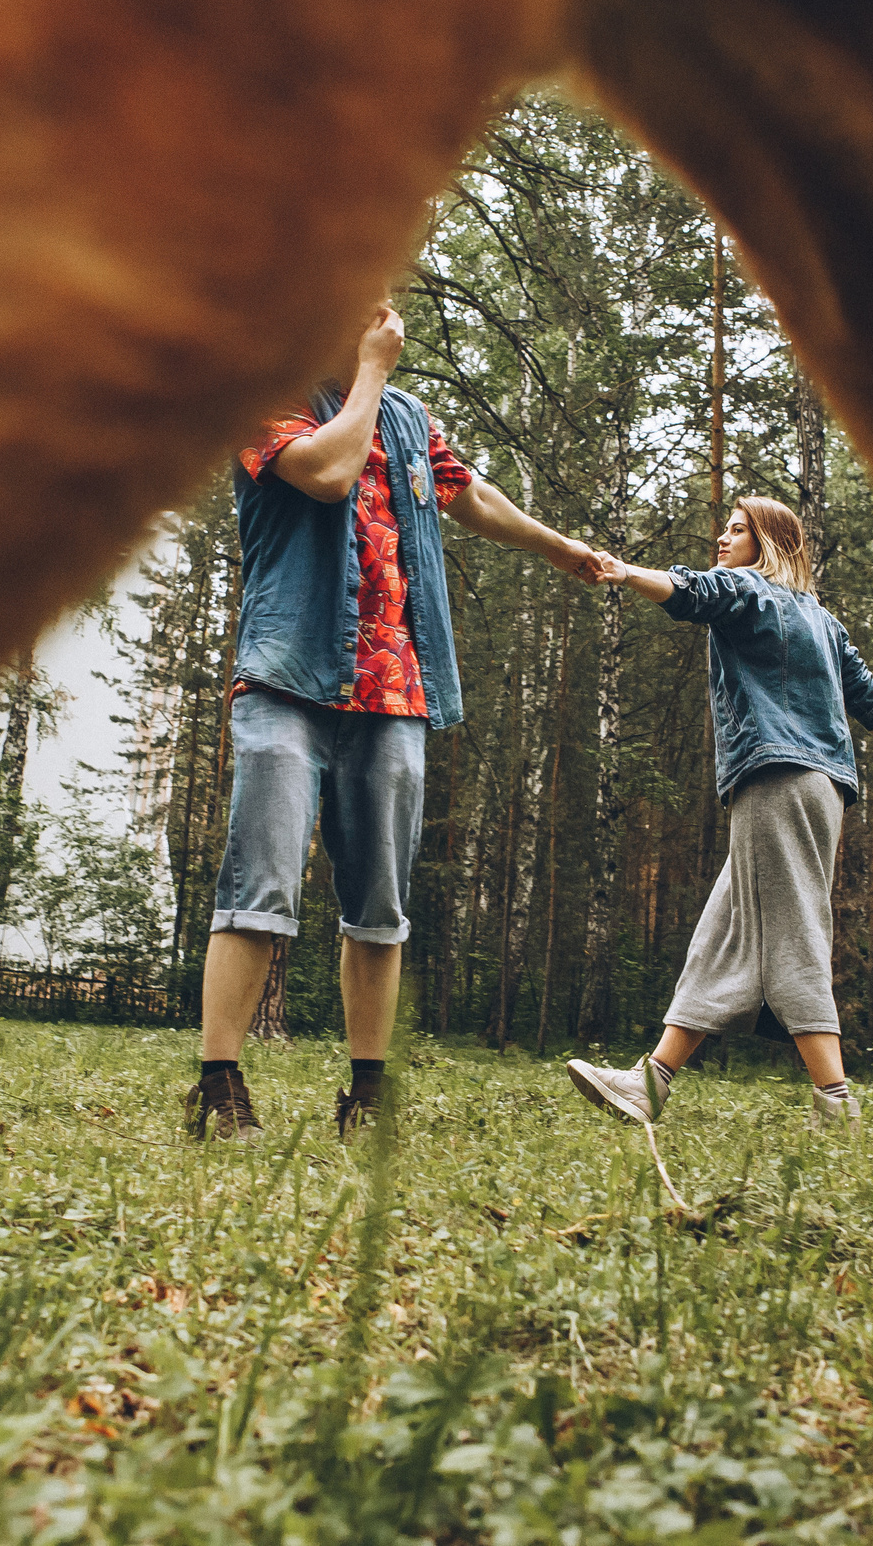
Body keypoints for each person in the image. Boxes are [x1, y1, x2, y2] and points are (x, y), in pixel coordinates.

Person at [187, 302, 599, 1142]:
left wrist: (562, 549)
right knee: (259, 886)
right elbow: (328, 472)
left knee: (379, 901)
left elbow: (469, 494)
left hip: (394, 693)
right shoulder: (265, 396)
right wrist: (370, 371)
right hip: (289, 679)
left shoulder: (411, 418)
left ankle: (367, 1095)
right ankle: (218, 1084)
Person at [566, 498, 873, 1130]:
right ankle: (649, 1084)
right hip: (820, 788)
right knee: (725, 931)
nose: (723, 537)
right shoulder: (823, 622)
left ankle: (836, 1104)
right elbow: (870, 705)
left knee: (793, 930)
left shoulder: (750, 591)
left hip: (774, 778)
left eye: (737, 529)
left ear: (768, 543)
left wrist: (625, 573)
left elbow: (690, 591)